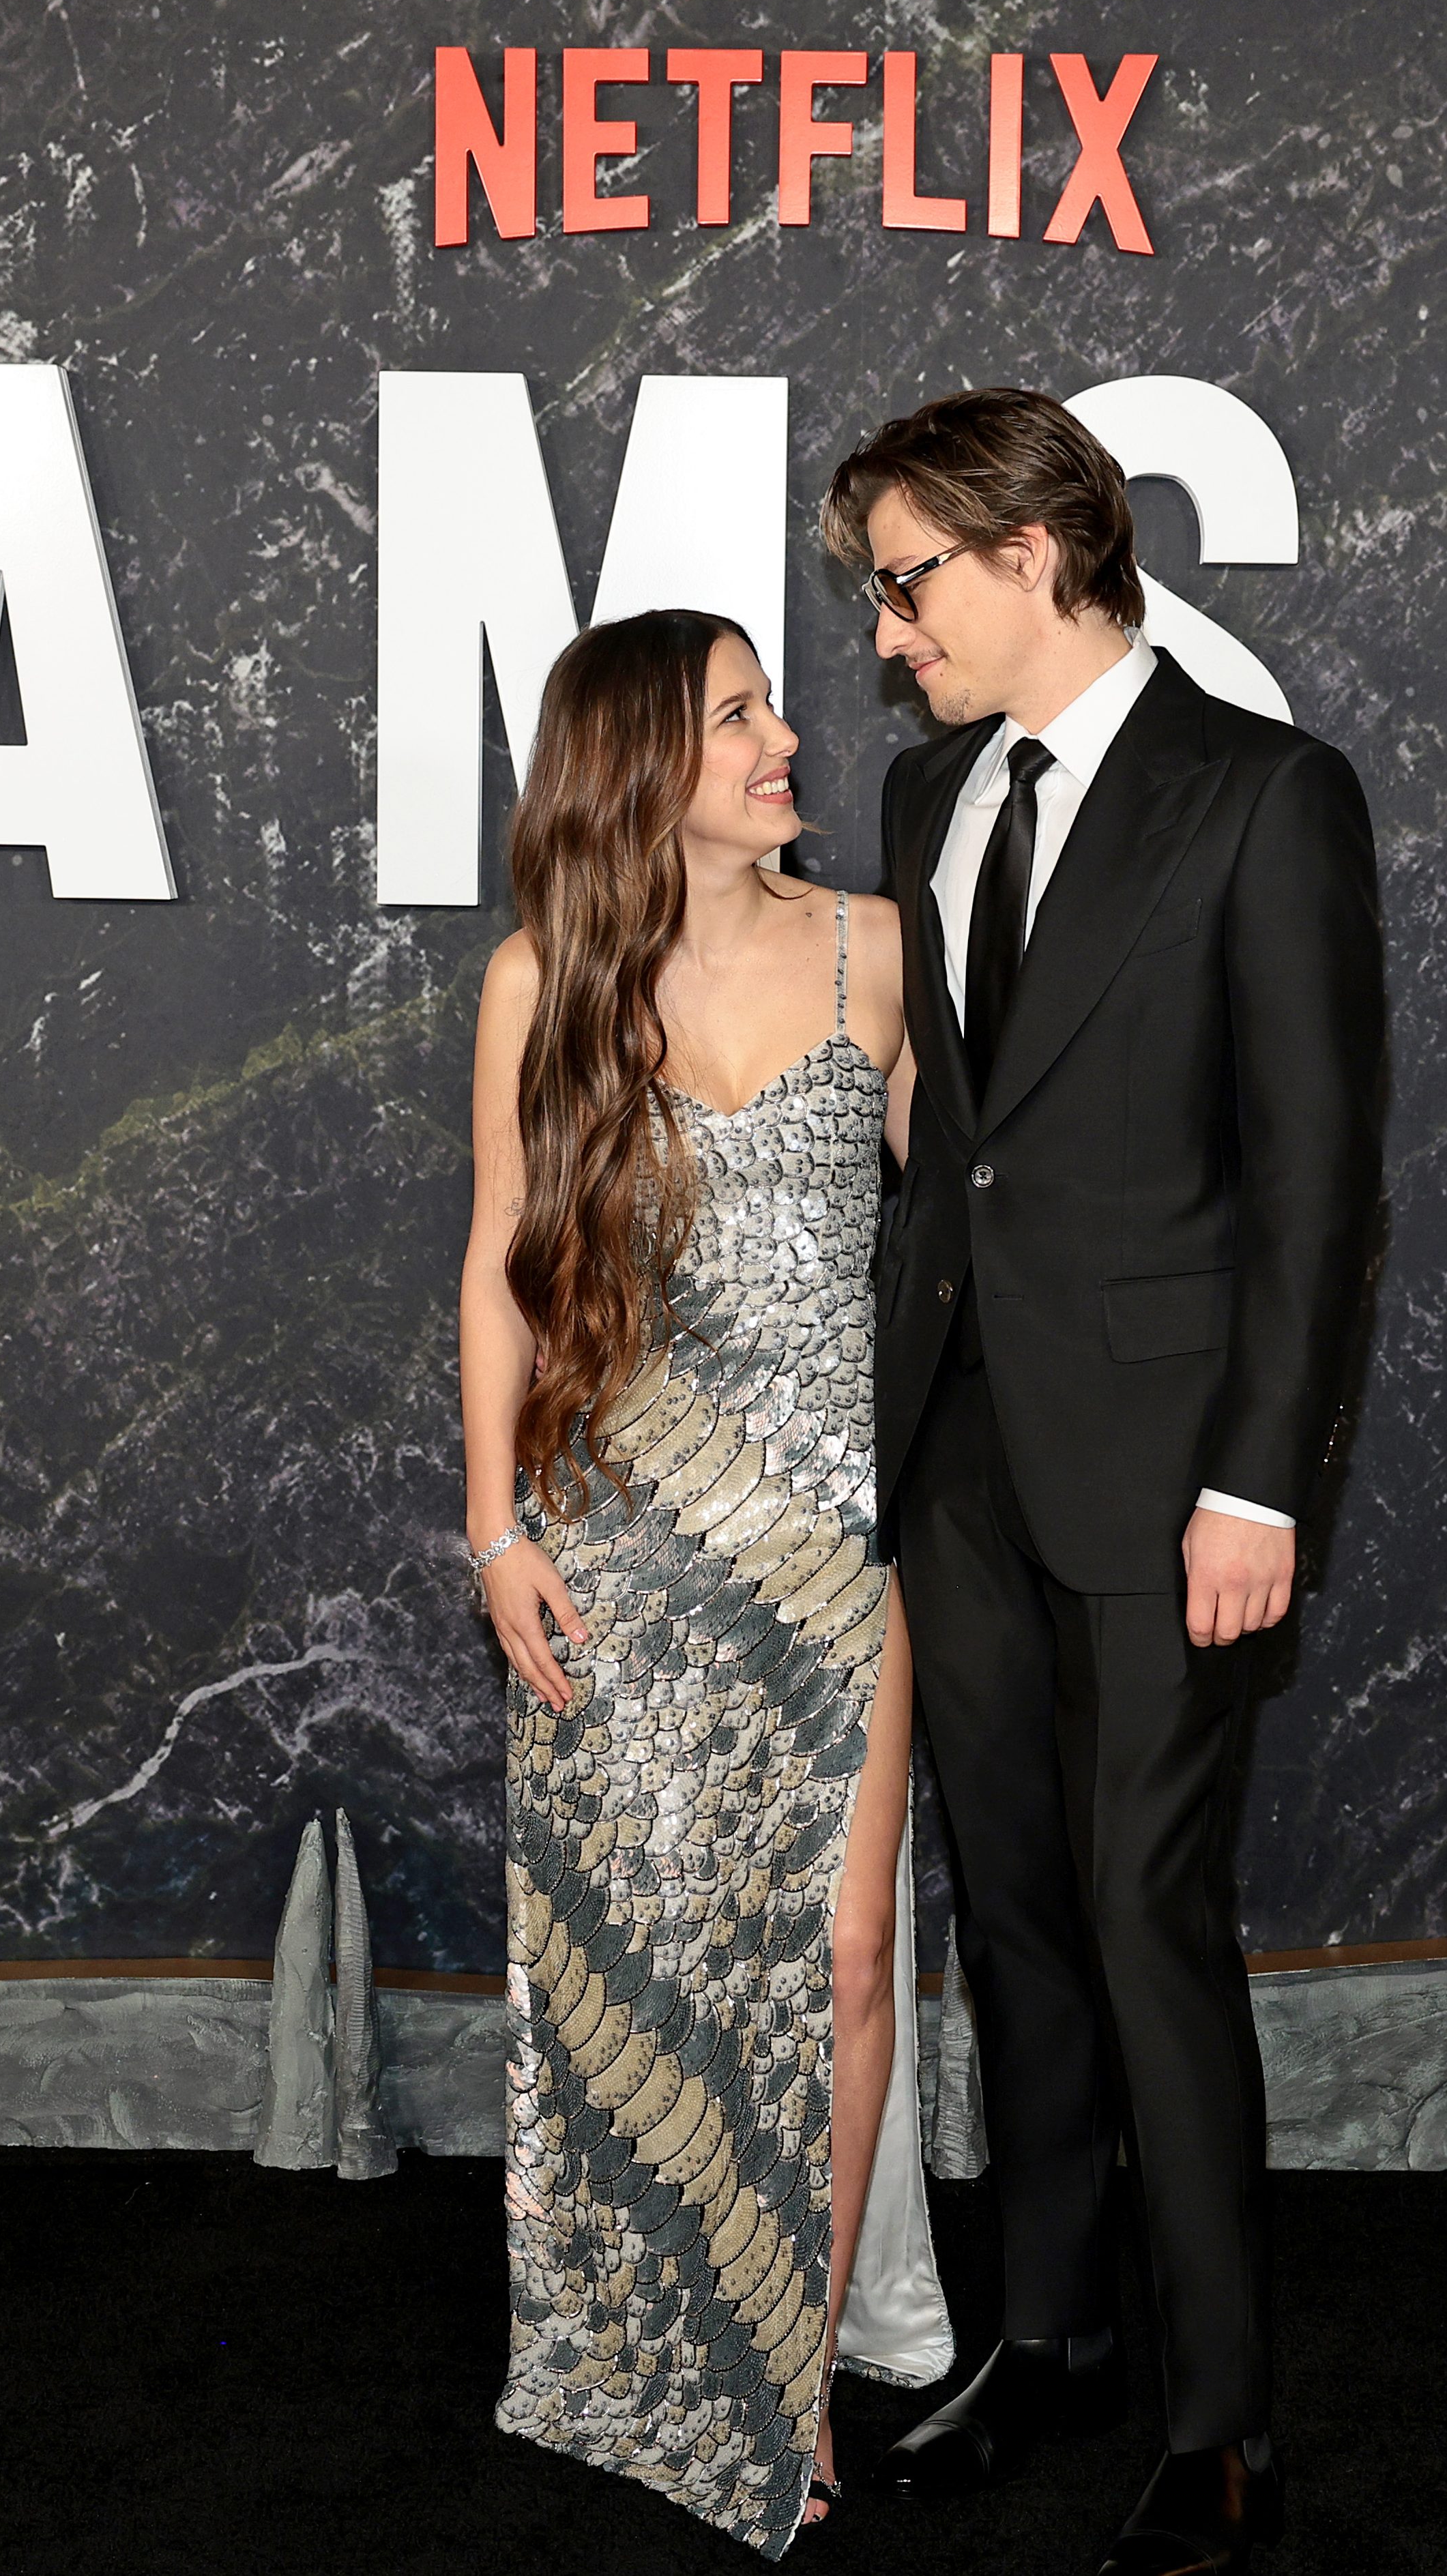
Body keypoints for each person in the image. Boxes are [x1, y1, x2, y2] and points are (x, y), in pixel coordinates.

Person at [821, 392, 1385, 2576]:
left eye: (906, 581)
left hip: (1172, 1483)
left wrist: (1261, 1486)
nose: (885, 637)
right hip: (958, 1453)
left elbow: (1320, 1185)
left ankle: (1221, 2419)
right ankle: (1043, 2336)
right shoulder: (925, 789)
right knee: (1024, 1921)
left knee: (1151, 1923)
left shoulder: (1264, 799)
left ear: (1039, 545)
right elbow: (952, 1143)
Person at [460, 609, 952, 2558]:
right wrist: (495, 1527)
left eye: (768, 703)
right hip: (616, 1534)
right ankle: (635, 2340)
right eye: (739, 714)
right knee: (637, 1964)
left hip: (834, 1544)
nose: (787, 738)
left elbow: (966, 1228)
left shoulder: (880, 951)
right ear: (639, 772)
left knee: (837, 1959)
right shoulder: (542, 982)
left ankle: (790, 2373)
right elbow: (504, 1255)